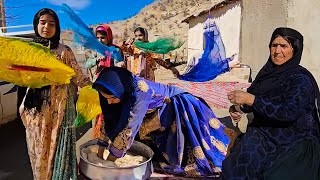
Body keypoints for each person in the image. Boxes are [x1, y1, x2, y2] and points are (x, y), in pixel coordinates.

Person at [91, 67, 233, 177]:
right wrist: (99, 153)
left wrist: (108, 164)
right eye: (106, 98)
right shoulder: (119, 90)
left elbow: (130, 129)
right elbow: (109, 120)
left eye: (112, 98)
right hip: (160, 109)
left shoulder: (141, 91)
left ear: (119, 90)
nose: (109, 103)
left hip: (177, 104)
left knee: (189, 151)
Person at [223, 27, 320, 179]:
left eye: (284, 46)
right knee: (240, 162)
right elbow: (252, 101)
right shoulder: (267, 74)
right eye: (274, 45)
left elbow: (287, 112)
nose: (277, 51)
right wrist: (238, 108)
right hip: (264, 134)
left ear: (294, 50)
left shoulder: (301, 79)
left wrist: (251, 99)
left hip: (294, 140)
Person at [19, 8, 91, 180]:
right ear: (36, 25)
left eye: (52, 24)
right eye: (42, 22)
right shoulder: (29, 51)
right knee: (38, 152)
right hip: (36, 110)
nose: (46, 27)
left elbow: (78, 78)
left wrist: (100, 88)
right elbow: (23, 79)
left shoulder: (64, 51)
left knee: (59, 151)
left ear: (57, 27)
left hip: (60, 111)